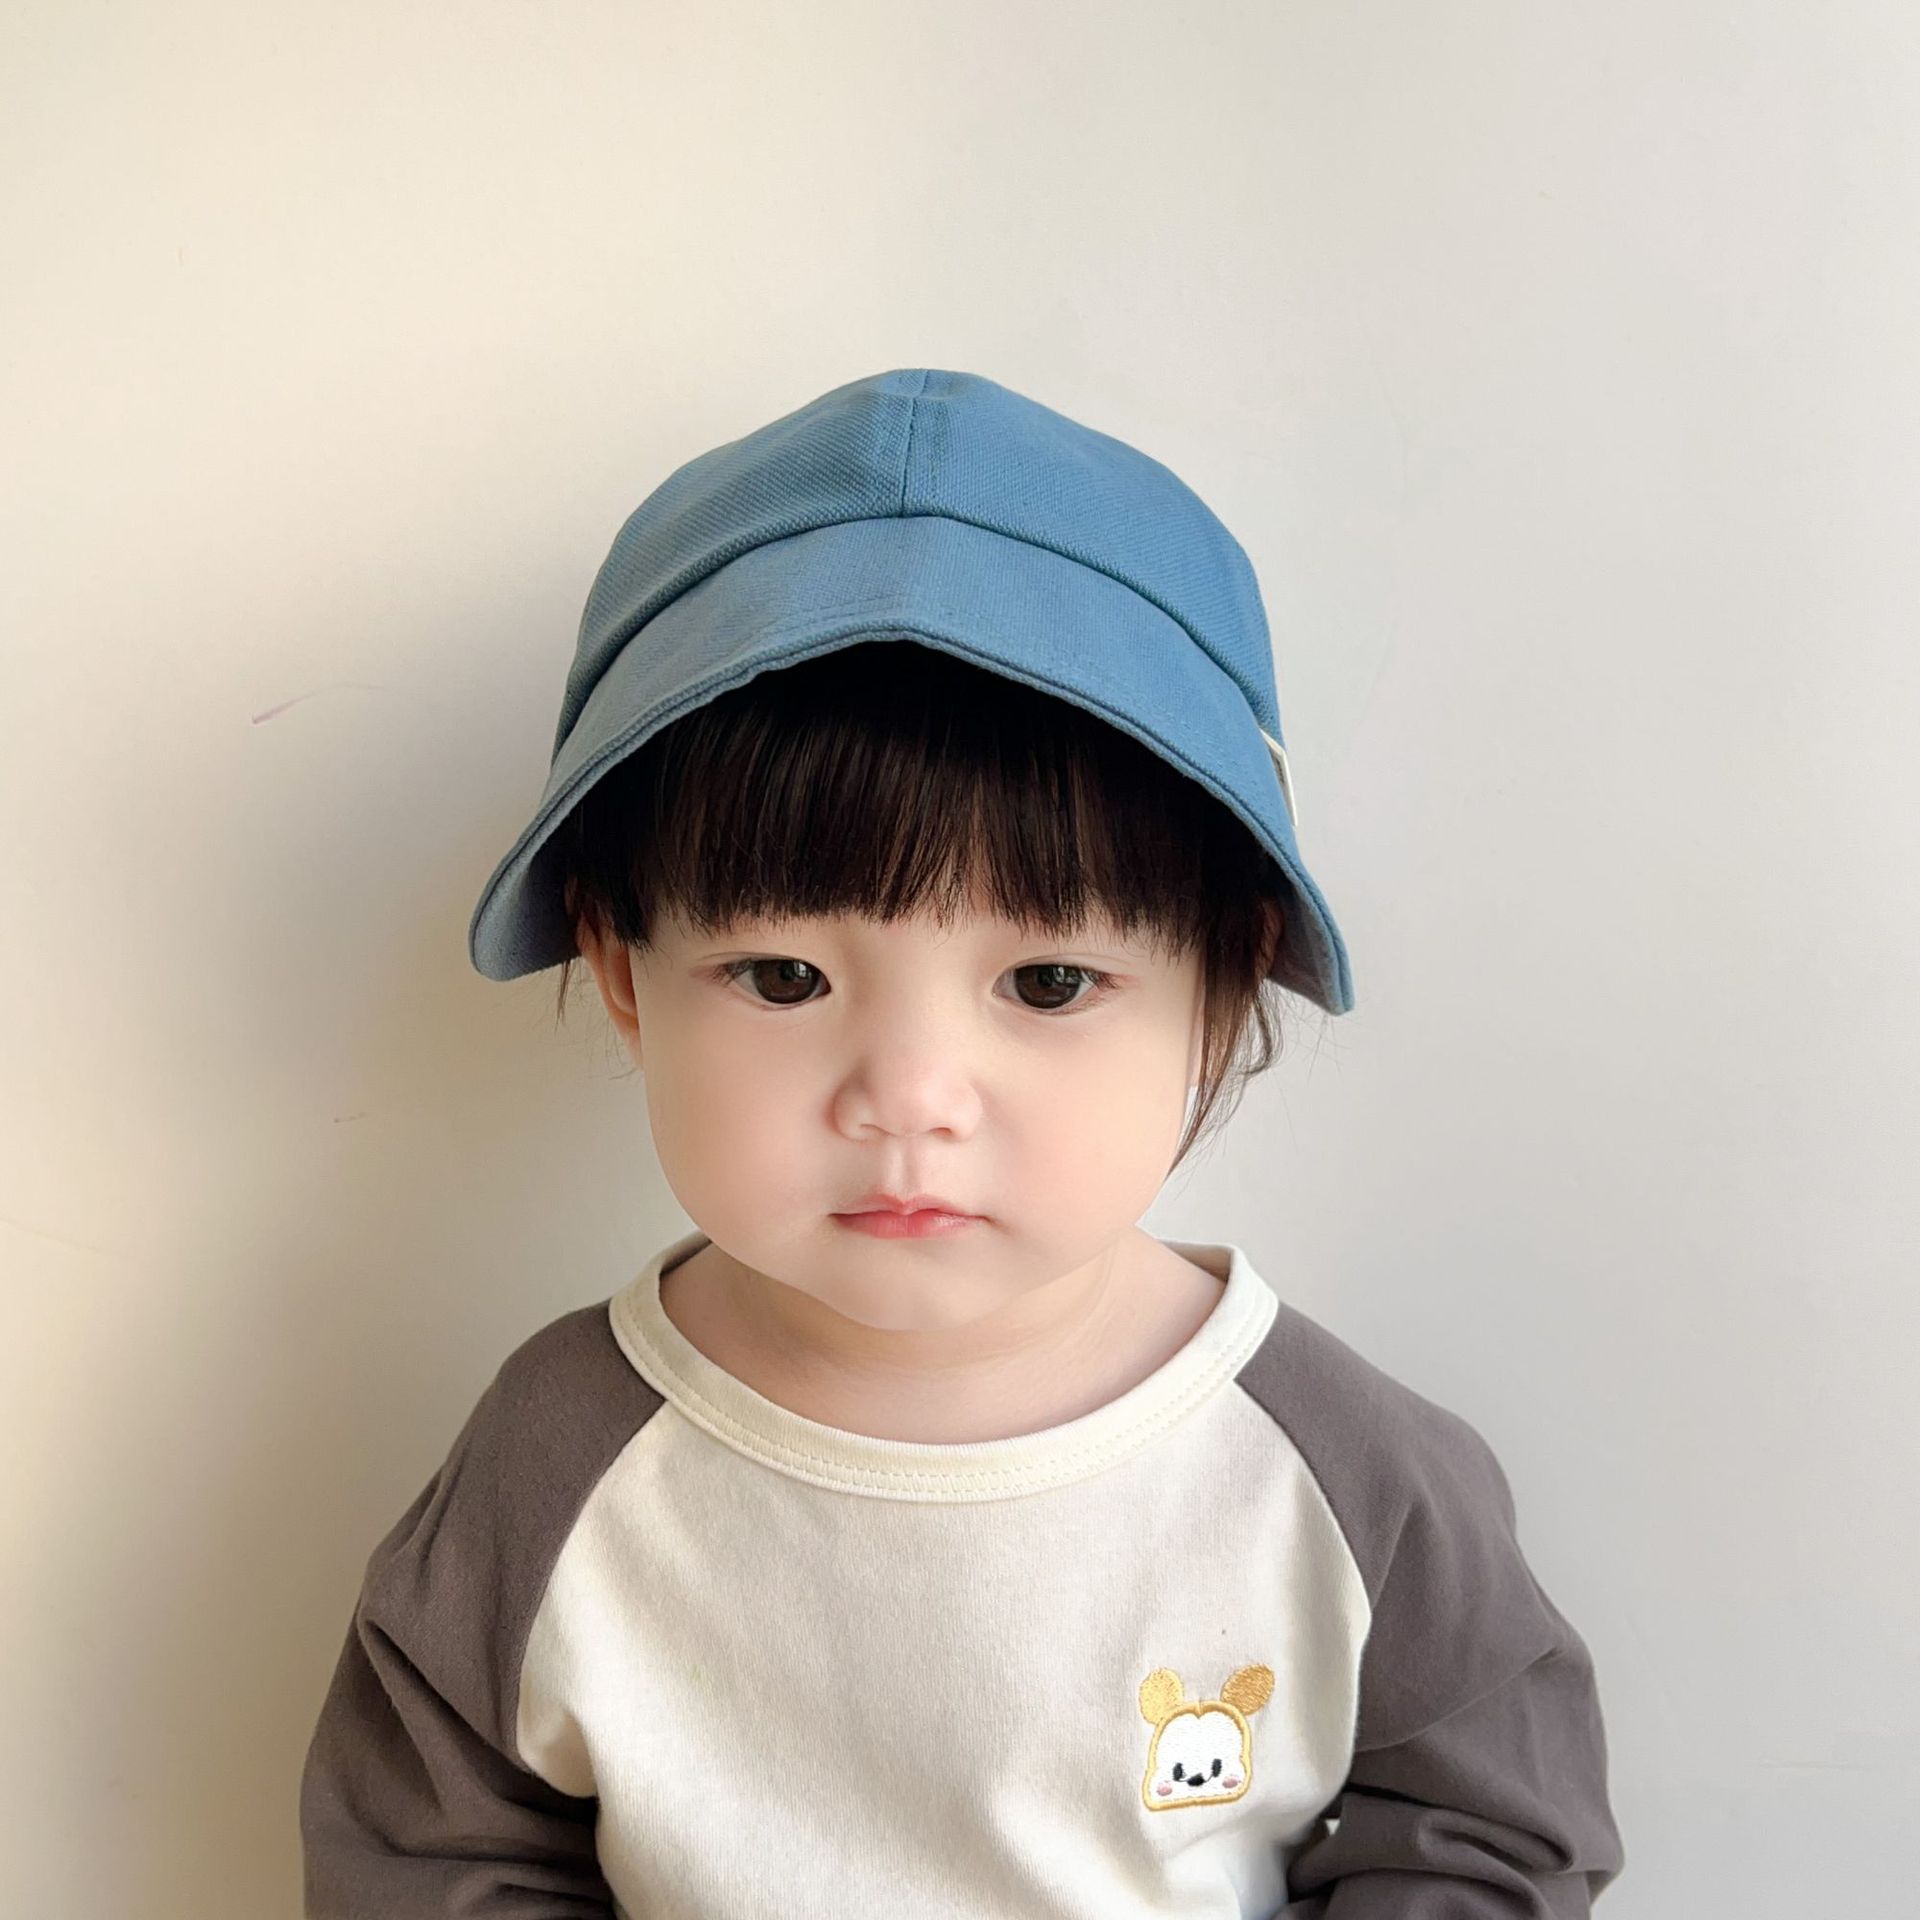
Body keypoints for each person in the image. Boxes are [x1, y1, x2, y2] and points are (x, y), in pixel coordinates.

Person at [299, 369, 1625, 1917]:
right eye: (783, 977)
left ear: (1221, 988)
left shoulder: (1337, 1475)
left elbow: (1488, 1833)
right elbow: (433, 1850)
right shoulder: (556, 1465)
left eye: (1048, 983)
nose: (910, 1095)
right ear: (622, 974)